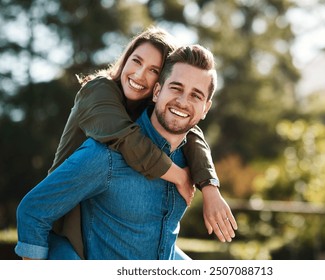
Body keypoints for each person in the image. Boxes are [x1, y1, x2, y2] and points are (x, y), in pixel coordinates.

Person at [15, 44, 235, 260]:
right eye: (176, 88)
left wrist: (210, 186)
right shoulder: (106, 153)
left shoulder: (189, 159)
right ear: (157, 91)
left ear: (206, 108)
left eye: (196, 96)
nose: (182, 101)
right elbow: (32, 212)